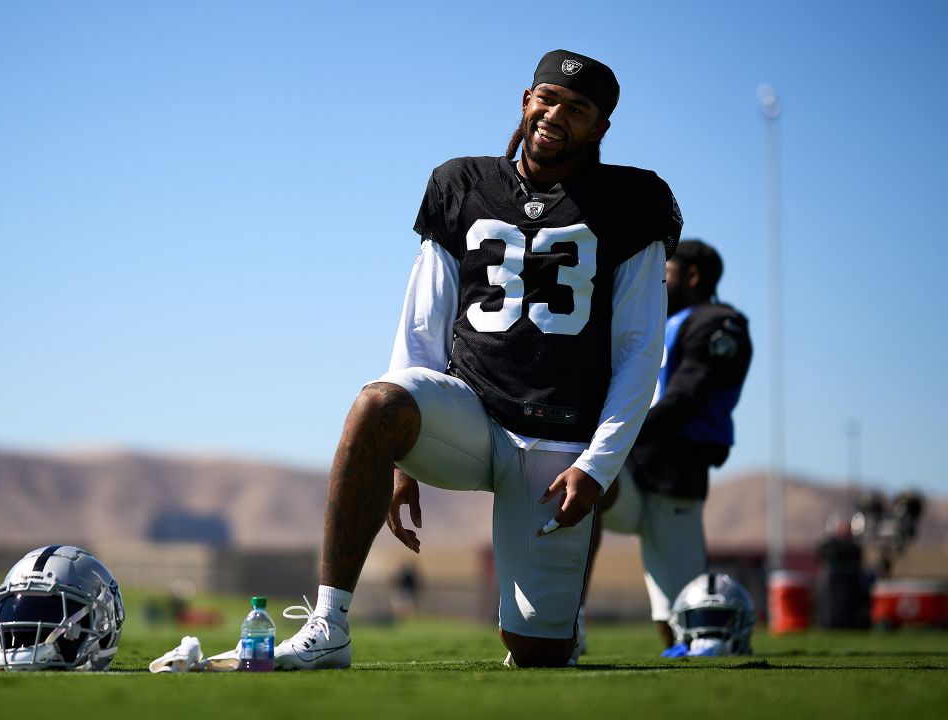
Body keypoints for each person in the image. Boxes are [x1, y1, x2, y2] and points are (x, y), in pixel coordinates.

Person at [274, 49, 682, 669]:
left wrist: (598, 467)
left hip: (559, 441)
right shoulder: (461, 183)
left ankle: (556, 624)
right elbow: (421, 325)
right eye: (546, 99)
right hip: (470, 412)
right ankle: (328, 624)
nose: (555, 115)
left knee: (537, 653)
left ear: (599, 128)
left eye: (577, 109)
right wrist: (401, 451)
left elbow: (638, 349)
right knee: (378, 403)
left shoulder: (633, 198)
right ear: (526, 101)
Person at [594, 239, 752, 649]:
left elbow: (686, 398)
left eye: (670, 267)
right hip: (628, 466)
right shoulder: (650, 320)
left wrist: (618, 434)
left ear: (694, 274)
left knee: (688, 626)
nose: (659, 276)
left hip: (675, 473)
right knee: (580, 488)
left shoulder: (719, 322)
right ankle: (563, 621)